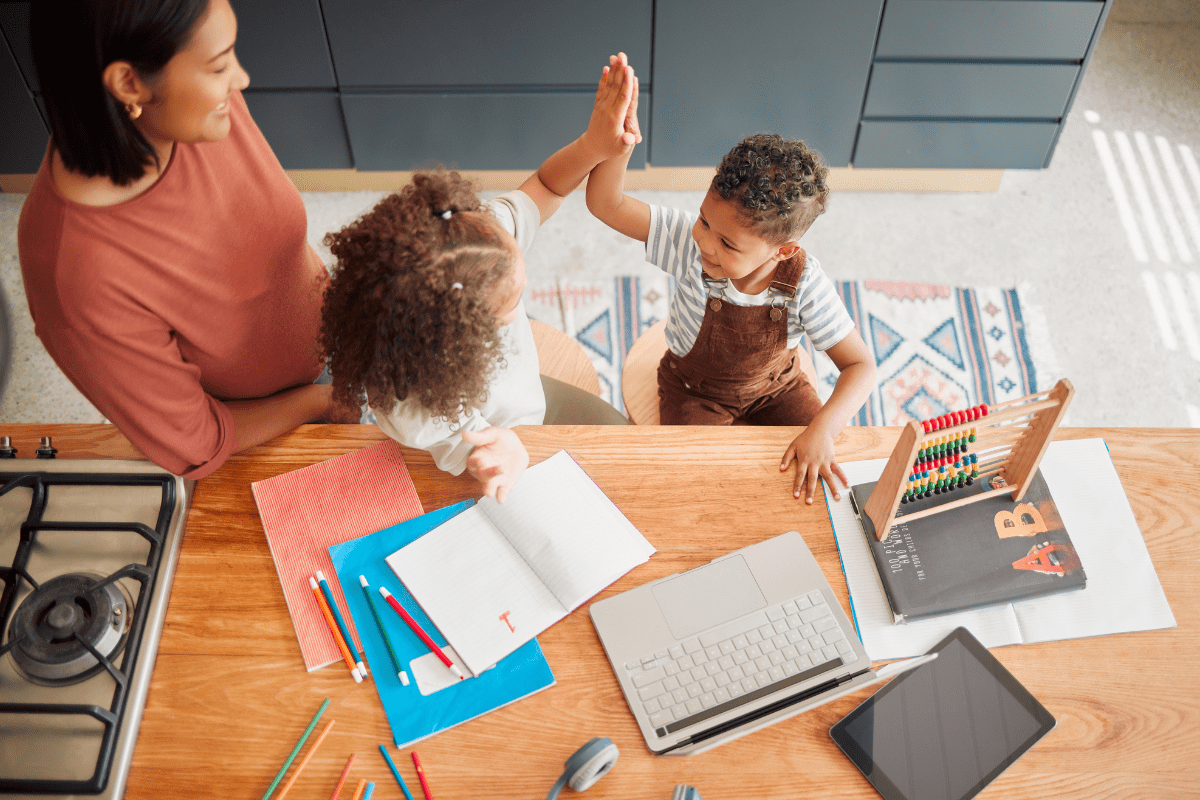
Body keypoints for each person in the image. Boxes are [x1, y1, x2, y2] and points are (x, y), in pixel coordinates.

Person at [17, 0, 353, 480]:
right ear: (130, 84)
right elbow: (197, 442)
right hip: (274, 417)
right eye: (219, 66)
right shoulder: (77, 274)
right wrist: (321, 400)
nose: (240, 80)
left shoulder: (187, 109)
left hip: (337, 331)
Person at [320, 55, 638, 503]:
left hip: (529, 395)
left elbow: (546, 187)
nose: (523, 295)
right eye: (513, 304)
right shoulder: (413, 411)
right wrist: (503, 451)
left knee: (625, 444)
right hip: (492, 432)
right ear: (457, 338)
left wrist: (595, 144)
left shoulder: (477, 243)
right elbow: (479, 454)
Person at [586, 118, 877, 504]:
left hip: (777, 388)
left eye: (727, 243)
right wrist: (617, 147)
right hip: (693, 392)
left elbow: (861, 367)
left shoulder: (804, 281)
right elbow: (606, 204)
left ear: (782, 250)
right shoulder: (688, 241)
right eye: (705, 220)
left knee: (822, 478)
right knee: (703, 491)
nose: (705, 242)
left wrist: (823, 429)